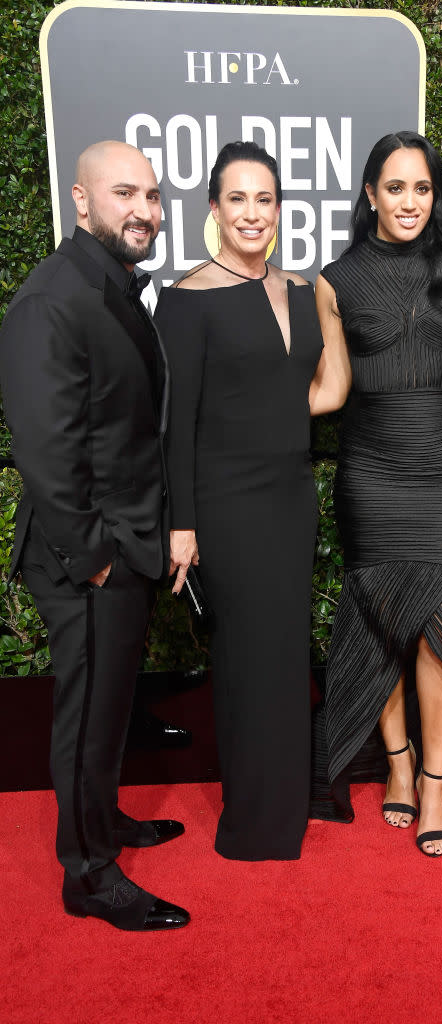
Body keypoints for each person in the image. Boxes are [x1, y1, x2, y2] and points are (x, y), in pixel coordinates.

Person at [0, 141, 189, 929]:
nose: (143, 209)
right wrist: (96, 560)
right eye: (124, 194)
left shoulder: (105, 284)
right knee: (86, 718)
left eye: (151, 195)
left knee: (108, 709)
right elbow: (44, 447)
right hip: (86, 557)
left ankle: (100, 822)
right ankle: (88, 875)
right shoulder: (55, 297)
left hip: (123, 544)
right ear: (80, 202)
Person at [309, 131, 442, 857]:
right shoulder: (336, 280)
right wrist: (239, 406)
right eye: (395, 187)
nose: (409, 201)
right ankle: (398, 767)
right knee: (383, 620)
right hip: (371, 470)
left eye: (422, 188)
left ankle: (438, 787)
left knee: (439, 629)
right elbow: (333, 389)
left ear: (433, 195)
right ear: (370, 194)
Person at [155, 141, 323, 861]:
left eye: (265, 200)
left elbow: (308, 392)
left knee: (285, 655)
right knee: (248, 660)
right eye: (238, 200)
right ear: (215, 211)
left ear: (279, 209)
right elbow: (175, 427)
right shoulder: (187, 300)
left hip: (292, 499)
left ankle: (290, 801)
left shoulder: (302, 287)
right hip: (228, 506)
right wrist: (183, 525)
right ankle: (253, 823)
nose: (252, 213)